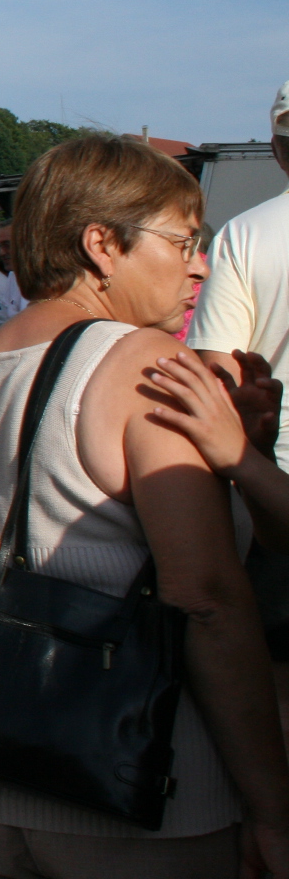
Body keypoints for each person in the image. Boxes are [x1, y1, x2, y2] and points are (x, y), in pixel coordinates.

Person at [0, 133, 289, 878]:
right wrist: (272, 807)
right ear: (103, 244)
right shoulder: (148, 367)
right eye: (183, 241)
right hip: (123, 785)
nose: (199, 264)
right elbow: (206, 599)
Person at [188, 78, 289, 709]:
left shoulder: (248, 236)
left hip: (278, 485)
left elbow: (217, 373)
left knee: (277, 675)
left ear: (278, 145)